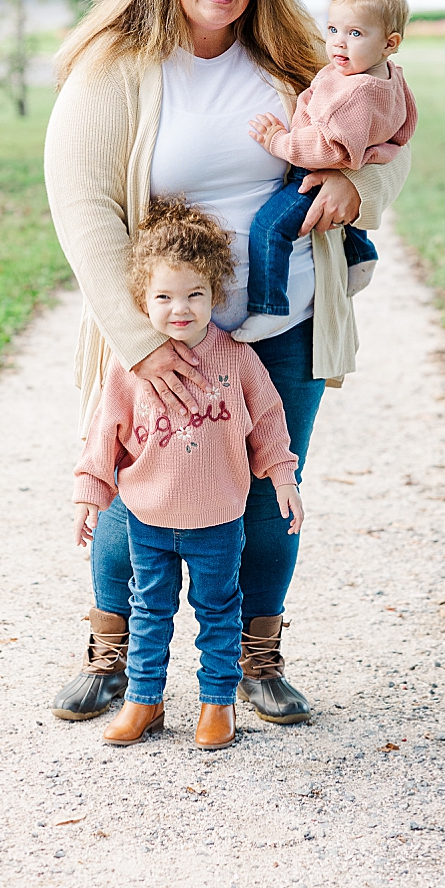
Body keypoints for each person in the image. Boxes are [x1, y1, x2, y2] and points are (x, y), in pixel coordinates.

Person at [44, 0, 411, 728]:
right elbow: (83, 206)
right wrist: (136, 341)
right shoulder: (114, 70)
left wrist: (357, 187)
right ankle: (110, 654)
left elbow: (387, 142)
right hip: (160, 334)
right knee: (135, 484)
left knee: (268, 490)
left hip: (283, 330)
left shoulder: (294, 60)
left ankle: (257, 659)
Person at [72, 197, 303, 750]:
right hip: (148, 517)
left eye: (195, 294)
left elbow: (269, 421)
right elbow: (104, 431)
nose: (181, 309)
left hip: (219, 517)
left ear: (215, 294)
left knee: (219, 612)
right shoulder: (130, 366)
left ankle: (217, 703)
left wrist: (284, 478)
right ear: (140, 300)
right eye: (164, 297)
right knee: (149, 610)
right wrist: (89, 492)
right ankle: (144, 701)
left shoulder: (237, 358)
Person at [233, 0, 417, 343]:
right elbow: (406, 125)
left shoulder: (353, 93)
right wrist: (375, 151)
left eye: (354, 33)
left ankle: (269, 307)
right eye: (333, 29)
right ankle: (360, 250)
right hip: (348, 163)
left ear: (389, 43)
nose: (337, 42)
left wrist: (279, 142)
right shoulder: (390, 77)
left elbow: (328, 151)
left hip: (311, 173)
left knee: (271, 227)